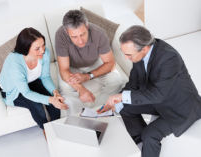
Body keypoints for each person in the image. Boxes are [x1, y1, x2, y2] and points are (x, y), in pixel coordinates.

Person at [97, 25, 201, 157]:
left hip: (180, 106)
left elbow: (157, 95)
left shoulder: (169, 58)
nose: (125, 58)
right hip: (157, 100)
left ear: (144, 48)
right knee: (122, 106)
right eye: (123, 53)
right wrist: (118, 98)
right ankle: (141, 142)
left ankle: (147, 142)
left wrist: (122, 97)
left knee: (151, 134)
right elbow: (134, 82)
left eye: (128, 55)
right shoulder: (138, 53)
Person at [0, 28, 68, 139]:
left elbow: (45, 77)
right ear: (26, 48)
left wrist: (55, 92)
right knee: (37, 107)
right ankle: (45, 128)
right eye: (37, 48)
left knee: (54, 99)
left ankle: (55, 126)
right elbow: (26, 92)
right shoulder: (14, 64)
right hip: (13, 90)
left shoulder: (44, 53)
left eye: (43, 45)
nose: (43, 50)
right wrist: (50, 100)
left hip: (31, 81)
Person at [55, 10, 123, 115]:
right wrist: (81, 89)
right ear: (67, 32)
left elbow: (110, 63)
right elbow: (64, 69)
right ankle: (78, 119)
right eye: (74, 37)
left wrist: (88, 76)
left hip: (94, 64)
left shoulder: (99, 33)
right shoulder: (60, 35)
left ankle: (97, 113)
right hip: (71, 67)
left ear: (87, 26)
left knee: (117, 80)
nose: (80, 40)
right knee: (66, 88)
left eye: (82, 34)